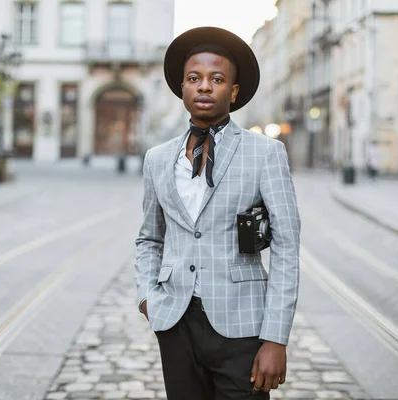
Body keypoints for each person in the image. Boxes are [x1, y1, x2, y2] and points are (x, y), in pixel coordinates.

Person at [135, 27, 301, 400]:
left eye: (217, 79)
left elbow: (287, 248)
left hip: (242, 327)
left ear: (234, 91)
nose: (205, 86)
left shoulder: (265, 153)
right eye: (194, 78)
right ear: (182, 88)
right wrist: (147, 296)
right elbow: (149, 236)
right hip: (175, 323)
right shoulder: (158, 159)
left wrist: (275, 338)